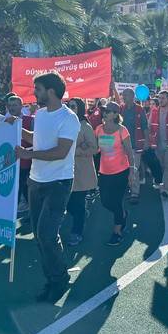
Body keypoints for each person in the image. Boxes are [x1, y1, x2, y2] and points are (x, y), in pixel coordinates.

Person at [10, 72, 81, 302]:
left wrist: (27, 154)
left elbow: (61, 152)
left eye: (37, 89)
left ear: (51, 91)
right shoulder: (40, 115)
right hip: (35, 181)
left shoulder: (69, 118)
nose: (34, 93)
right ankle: (53, 278)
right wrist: (17, 130)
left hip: (58, 183)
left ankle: (59, 280)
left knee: (46, 234)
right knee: (41, 236)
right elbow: (37, 139)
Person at [95, 102, 136, 245]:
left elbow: (130, 153)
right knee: (105, 201)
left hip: (121, 172)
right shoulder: (99, 129)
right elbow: (96, 149)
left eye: (109, 111)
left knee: (117, 202)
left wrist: (132, 171)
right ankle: (123, 215)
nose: (105, 113)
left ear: (116, 114)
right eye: (104, 110)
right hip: (104, 171)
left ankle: (117, 231)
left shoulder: (122, 130)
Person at [65, 98, 97, 246]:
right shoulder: (65, 123)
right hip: (65, 170)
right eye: (69, 106)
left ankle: (76, 232)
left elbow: (93, 148)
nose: (70, 108)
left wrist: (75, 150)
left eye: (73, 106)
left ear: (80, 108)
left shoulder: (85, 126)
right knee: (68, 203)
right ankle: (82, 214)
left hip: (82, 171)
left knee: (77, 203)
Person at [119, 88, 150, 204]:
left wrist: (147, 141)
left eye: (125, 95)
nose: (123, 97)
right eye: (123, 95)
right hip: (123, 145)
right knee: (124, 169)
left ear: (132, 96)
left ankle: (134, 192)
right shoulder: (121, 109)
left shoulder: (139, 109)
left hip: (136, 144)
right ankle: (128, 187)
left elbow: (144, 126)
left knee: (134, 169)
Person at [4, 95, 33, 215]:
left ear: (21, 106)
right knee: (14, 188)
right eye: (10, 106)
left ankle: (31, 212)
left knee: (26, 188)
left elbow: (35, 140)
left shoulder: (30, 120)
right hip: (11, 161)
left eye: (15, 105)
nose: (12, 108)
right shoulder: (5, 123)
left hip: (26, 161)